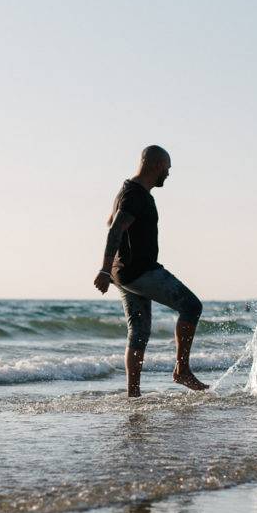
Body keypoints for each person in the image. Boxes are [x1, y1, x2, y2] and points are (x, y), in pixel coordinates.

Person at [94, 145, 208, 397]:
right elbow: (115, 230)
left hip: (122, 274)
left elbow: (110, 221)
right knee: (191, 306)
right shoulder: (136, 195)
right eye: (167, 168)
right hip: (139, 271)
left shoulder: (127, 191)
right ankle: (182, 370)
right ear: (156, 165)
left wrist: (109, 271)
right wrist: (103, 270)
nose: (168, 174)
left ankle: (132, 394)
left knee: (139, 331)